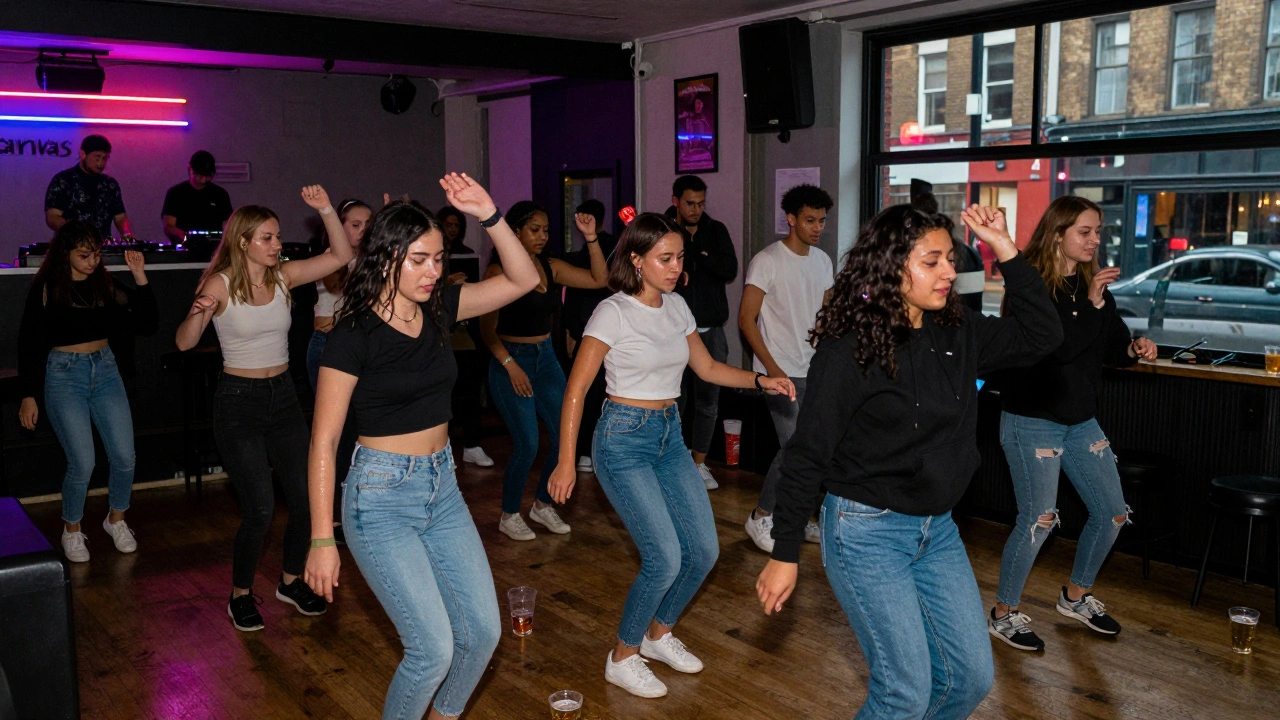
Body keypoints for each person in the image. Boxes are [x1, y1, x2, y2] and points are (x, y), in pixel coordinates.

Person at [756, 204, 1063, 720]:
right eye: (931, 261)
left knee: (969, 678)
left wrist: (1006, 248)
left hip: (936, 530)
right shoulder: (850, 350)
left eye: (951, 259)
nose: (949, 272)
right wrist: (785, 551)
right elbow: (806, 455)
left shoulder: (957, 330)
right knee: (903, 693)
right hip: (865, 533)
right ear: (892, 268)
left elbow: (1043, 336)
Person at [304, 173, 539, 720]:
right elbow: (324, 439)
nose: (434, 271)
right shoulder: (353, 332)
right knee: (431, 650)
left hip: (443, 487)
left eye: (439, 258)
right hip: (379, 497)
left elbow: (523, 279)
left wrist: (490, 213)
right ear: (386, 257)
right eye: (419, 260)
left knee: (481, 634)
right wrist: (321, 538)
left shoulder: (439, 308)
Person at [548, 212, 794, 699]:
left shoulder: (678, 306)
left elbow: (704, 367)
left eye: (680, 257)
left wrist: (761, 380)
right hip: (621, 439)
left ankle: (658, 635)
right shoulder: (611, 312)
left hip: (668, 436)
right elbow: (576, 390)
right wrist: (564, 460)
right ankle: (623, 656)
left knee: (703, 551)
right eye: (665, 258)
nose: (676, 267)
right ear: (636, 260)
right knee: (663, 557)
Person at [174, 185, 353, 632]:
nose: (277, 245)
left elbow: (340, 255)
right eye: (268, 238)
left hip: (284, 398)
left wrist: (327, 209)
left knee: (306, 499)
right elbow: (184, 342)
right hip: (238, 403)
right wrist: (200, 311)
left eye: (277, 237)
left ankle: (290, 580)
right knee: (259, 509)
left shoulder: (283, 277)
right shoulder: (218, 282)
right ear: (243, 242)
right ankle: (239, 594)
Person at [987, 196, 1157, 652]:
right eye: (1085, 231)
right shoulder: (1032, 289)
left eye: (1098, 231)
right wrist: (1095, 306)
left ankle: (1076, 595)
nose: (1095, 240)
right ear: (1058, 233)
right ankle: (1003, 613)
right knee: (1039, 520)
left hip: (1080, 420)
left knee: (1113, 513)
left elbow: (1111, 347)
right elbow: (1056, 349)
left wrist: (1135, 347)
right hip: (1032, 420)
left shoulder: (1093, 289)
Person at [17, 221, 157, 563]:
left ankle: (116, 520)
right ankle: (72, 529)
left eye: (96, 253)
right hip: (64, 375)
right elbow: (29, 343)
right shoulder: (47, 288)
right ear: (65, 255)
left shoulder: (104, 286)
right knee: (82, 461)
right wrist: (29, 394)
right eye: (85, 254)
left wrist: (140, 277)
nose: (93, 261)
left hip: (106, 371)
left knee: (125, 456)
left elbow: (148, 323)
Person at [480, 201, 607, 541]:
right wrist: (511, 367)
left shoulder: (549, 267)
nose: (541, 236)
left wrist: (591, 238)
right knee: (528, 444)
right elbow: (487, 331)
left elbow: (599, 279)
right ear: (516, 231)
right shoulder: (498, 272)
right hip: (510, 359)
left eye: (546, 230)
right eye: (534, 230)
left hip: (546, 358)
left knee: (567, 434)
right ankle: (509, 514)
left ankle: (543, 504)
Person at [739, 184, 834, 554]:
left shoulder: (823, 261)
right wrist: (772, 371)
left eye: (822, 221)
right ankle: (761, 515)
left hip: (814, 369)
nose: (817, 227)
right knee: (795, 447)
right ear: (791, 219)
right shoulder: (767, 260)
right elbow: (747, 320)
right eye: (810, 220)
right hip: (778, 371)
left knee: (815, 448)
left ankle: (794, 516)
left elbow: (826, 314)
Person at [303, 198, 372, 544]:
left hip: (359, 352)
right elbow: (335, 287)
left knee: (359, 435)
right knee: (334, 436)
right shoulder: (329, 259)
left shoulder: (373, 258)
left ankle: (350, 513)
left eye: (367, 224)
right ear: (338, 226)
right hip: (327, 347)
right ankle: (328, 520)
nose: (362, 230)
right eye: (354, 224)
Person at [666, 175, 738, 490]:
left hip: (710, 331)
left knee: (708, 400)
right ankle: (672, 461)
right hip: (672, 334)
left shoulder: (715, 230)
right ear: (676, 202)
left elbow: (729, 270)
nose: (696, 209)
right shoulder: (664, 230)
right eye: (690, 203)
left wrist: (698, 255)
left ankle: (698, 463)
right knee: (674, 400)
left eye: (701, 203)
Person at [561, 199, 618, 473]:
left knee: (594, 392)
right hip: (593, 329)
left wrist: (571, 330)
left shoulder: (609, 247)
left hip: (597, 329)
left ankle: (589, 451)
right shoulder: (584, 252)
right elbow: (574, 294)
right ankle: (587, 451)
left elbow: (600, 285)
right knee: (589, 391)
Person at [437, 204, 496, 468]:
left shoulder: (466, 254)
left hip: (463, 331)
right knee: (443, 393)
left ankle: (472, 444)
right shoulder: (432, 256)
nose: (452, 230)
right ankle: (444, 446)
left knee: (469, 390)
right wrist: (446, 283)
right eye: (447, 225)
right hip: (438, 332)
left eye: (456, 226)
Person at [45, 135, 134, 242]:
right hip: (70, 246)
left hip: (101, 248)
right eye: (97, 158)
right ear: (83, 154)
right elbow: (53, 216)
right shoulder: (63, 180)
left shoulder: (110, 185)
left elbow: (120, 218)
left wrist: (128, 237)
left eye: (104, 158)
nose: (101, 163)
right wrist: (72, 231)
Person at [161, 150, 233, 255]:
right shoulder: (176, 193)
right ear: (190, 169)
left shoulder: (220, 194)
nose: (203, 180)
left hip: (214, 251)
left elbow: (229, 224)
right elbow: (168, 226)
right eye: (199, 176)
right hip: (184, 251)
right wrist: (186, 236)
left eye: (208, 177)